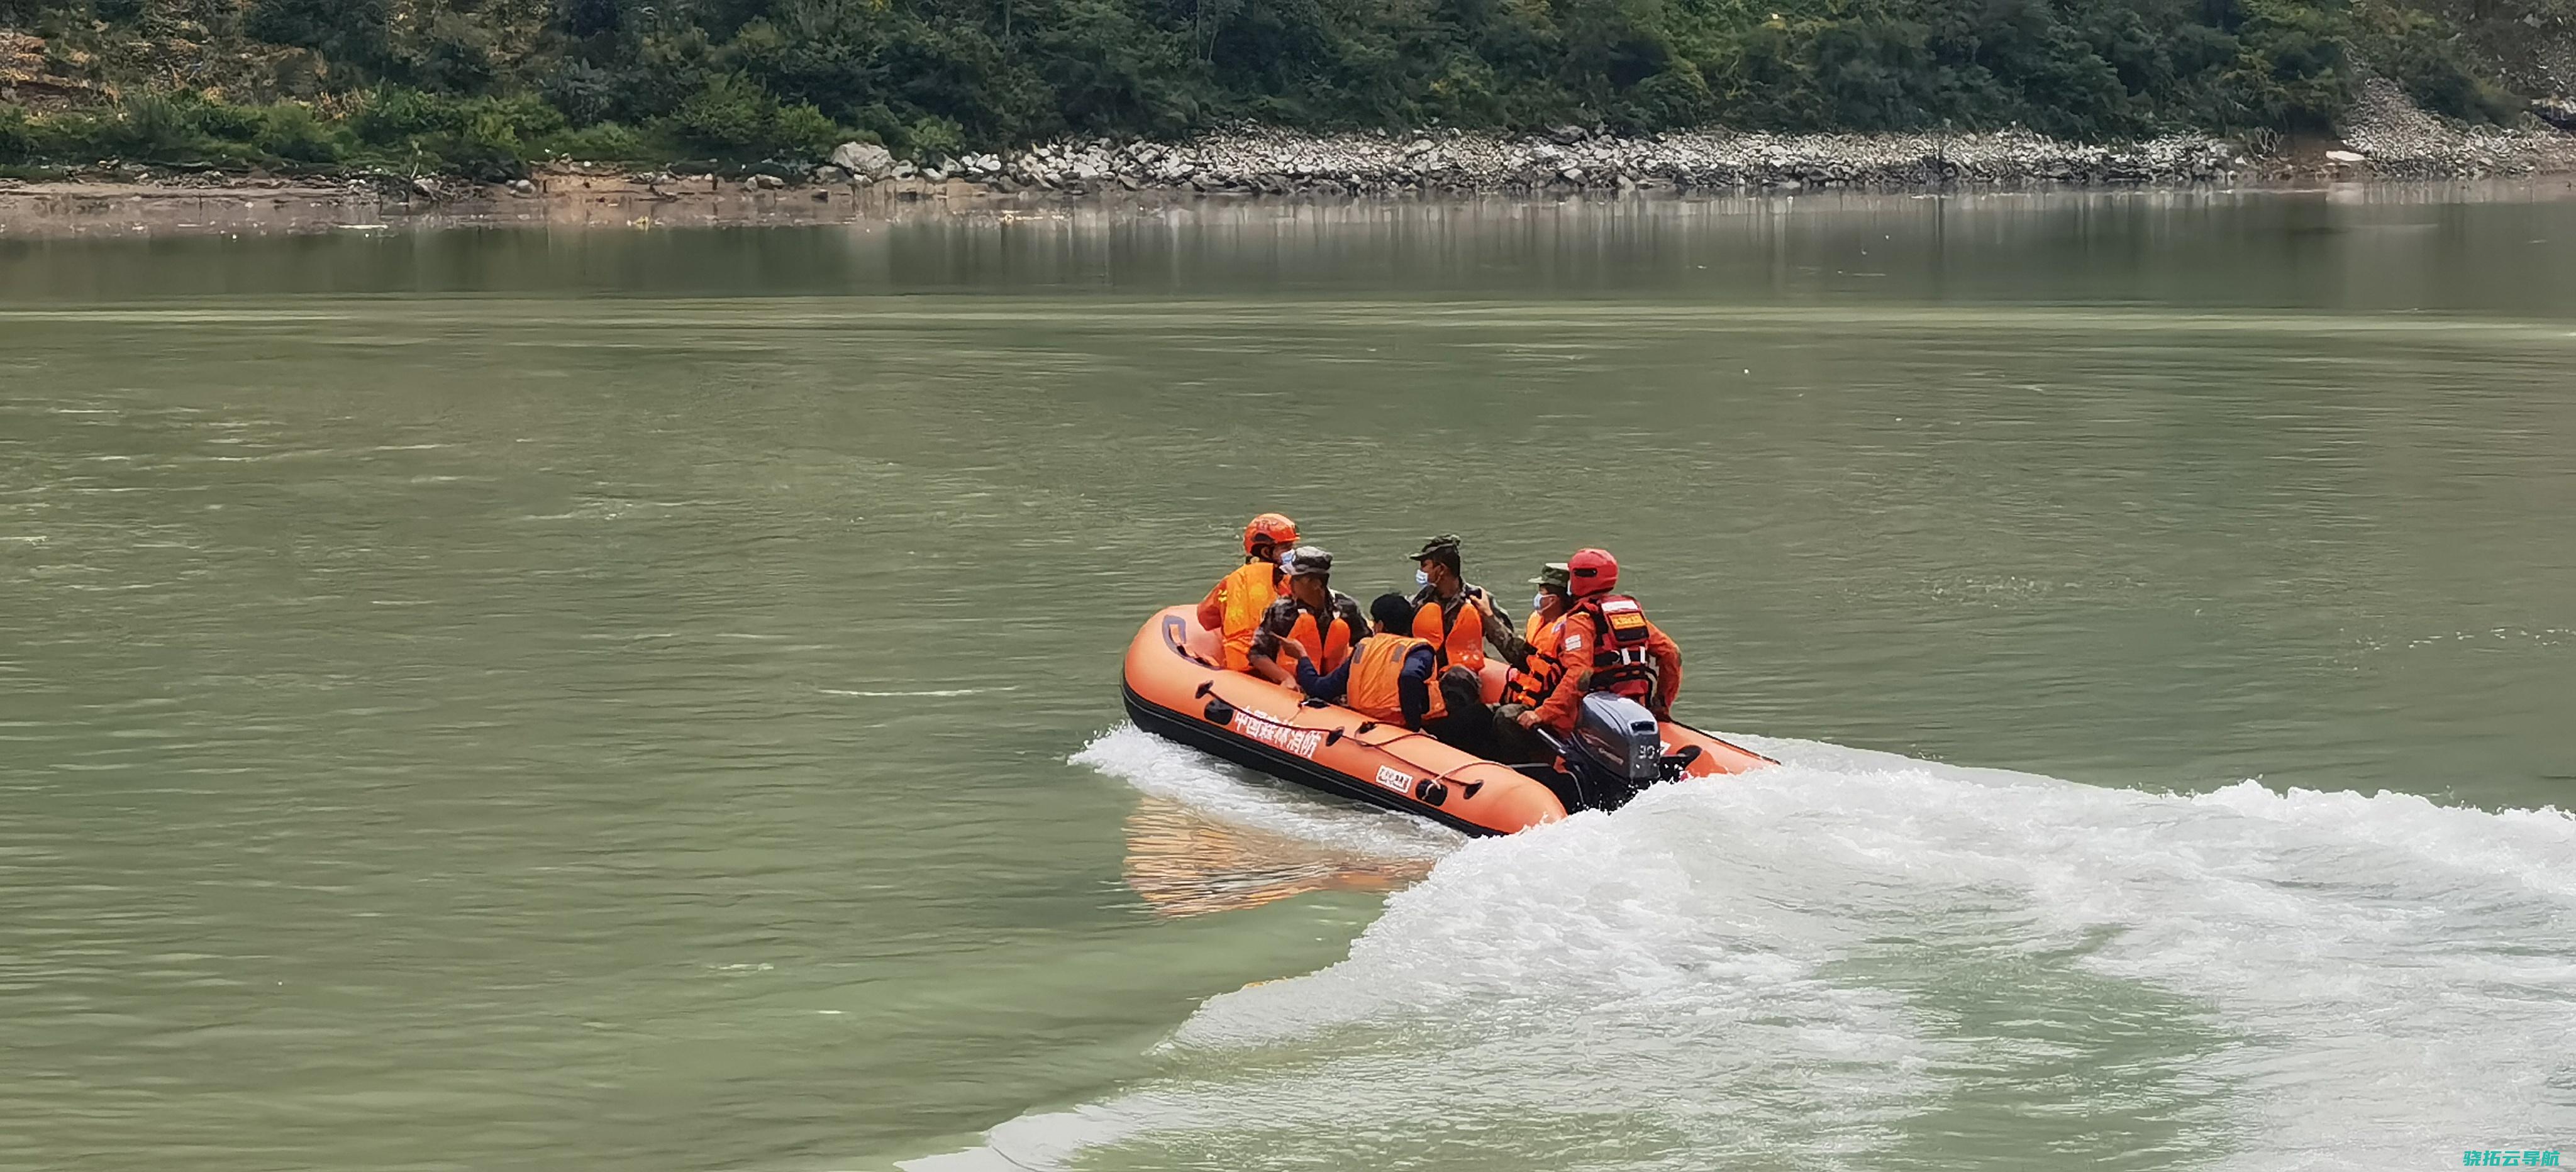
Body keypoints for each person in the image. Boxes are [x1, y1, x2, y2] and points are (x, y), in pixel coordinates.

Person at [1517, 548, 1683, 737]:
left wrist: (1543, 713)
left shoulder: (1581, 620)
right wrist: (1661, 706)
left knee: (1513, 723)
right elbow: (1672, 654)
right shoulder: (1629, 613)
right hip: (1636, 710)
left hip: (1595, 717)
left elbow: (1581, 674)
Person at [1296, 594, 1441, 729]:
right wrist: (1415, 726)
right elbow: (1410, 676)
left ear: (1380, 625)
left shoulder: (1363, 649)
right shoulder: (1420, 651)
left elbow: (1319, 689)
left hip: (1361, 722)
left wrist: (1302, 657)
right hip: (1399, 727)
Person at [1246, 545, 1369, 686]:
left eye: (1296, 579)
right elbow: (1256, 654)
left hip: (1334, 684)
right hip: (1293, 688)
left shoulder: (1347, 607)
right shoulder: (1281, 610)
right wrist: (1285, 678)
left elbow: (1366, 648)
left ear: (1316, 584)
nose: (1290, 583)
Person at [1198, 513, 1298, 672]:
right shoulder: (1291, 582)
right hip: (1275, 667)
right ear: (1266, 552)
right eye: (1287, 548)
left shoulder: (1231, 581)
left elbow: (1205, 618)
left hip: (1241, 665)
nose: (1293, 553)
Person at [1407, 534, 1514, 673]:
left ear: (1441, 569)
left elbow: (1511, 651)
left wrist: (1488, 617)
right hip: (1425, 672)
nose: (1421, 571)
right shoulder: (1419, 601)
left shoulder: (1478, 599)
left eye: (1424, 565)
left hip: (1464, 677)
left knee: (1457, 678)